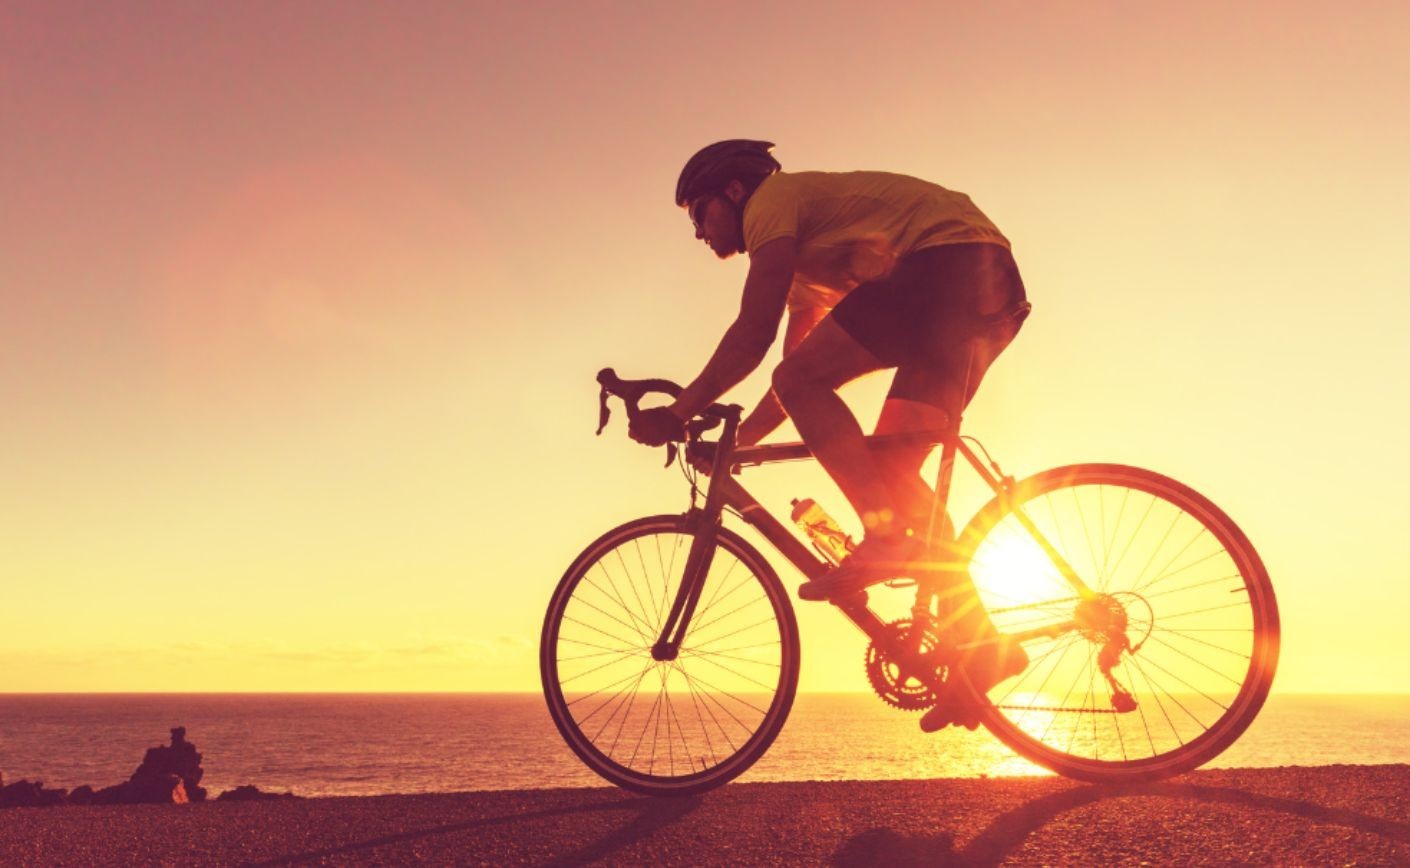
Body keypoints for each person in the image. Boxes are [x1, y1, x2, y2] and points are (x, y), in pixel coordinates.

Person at [628, 140, 1027, 730]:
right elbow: (791, 382)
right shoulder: (802, 269)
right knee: (893, 474)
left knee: (868, 475)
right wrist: (743, 445)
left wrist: (681, 411)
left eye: (699, 212)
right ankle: (985, 648)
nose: (697, 231)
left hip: (949, 263)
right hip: (985, 289)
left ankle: (884, 540)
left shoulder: (773, 204)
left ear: (736, 192)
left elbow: (754, 335)